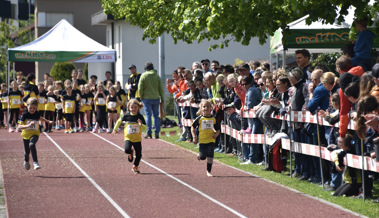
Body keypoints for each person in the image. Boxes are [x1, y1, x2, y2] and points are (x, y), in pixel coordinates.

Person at [18, 97, 53, 170]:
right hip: (26, 135)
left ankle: (35, 162)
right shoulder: (24, 114)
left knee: (32, 144)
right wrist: (28, 125)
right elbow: (19, 126)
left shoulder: (37, 113)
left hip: (35, 133)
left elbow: (40, 118)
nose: (32, 110)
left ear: (36, 107)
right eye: (30, 108)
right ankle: (26, 161)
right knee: (27, 152)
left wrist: (48, 121)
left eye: (34, 108)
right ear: (27, 106)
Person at [113, 99, 146, 174]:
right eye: (132, 107)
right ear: (129, 108)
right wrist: (115, 129)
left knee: (139, 154)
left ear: (138, 108)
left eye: (135, 107)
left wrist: (141, 125)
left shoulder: (140, 117)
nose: (133, 109)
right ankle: (131, 152)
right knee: (126, 150)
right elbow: (119, 121)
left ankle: (135, 166)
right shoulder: (126, 116)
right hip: (128, 138)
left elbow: (145, 128)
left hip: (137, 139)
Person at [191, 100, 220, 177]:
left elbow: (218, 130)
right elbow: (192, 127)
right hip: (202, 140)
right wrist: (194, 137)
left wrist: (216, 135)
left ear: (211, 108)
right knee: (203, 157)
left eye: (208, 106)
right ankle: (200, 155)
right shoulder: (199, 119)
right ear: (201, 108)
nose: (206, 108)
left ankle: (208, 171)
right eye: (204, 106)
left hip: (211, 140)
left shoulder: (213, 119)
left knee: (210, 155)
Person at [138, 62, 165, 139]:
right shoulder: (157, 76)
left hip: (146, 98)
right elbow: (161, 89)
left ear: (145, 68)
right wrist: (162, 99)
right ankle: (157, 133)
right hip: (156, 98)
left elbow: (140, 88)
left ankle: (149, 132)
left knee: (148, 116)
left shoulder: (143, 75)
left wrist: (141, 97)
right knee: (156, 116)